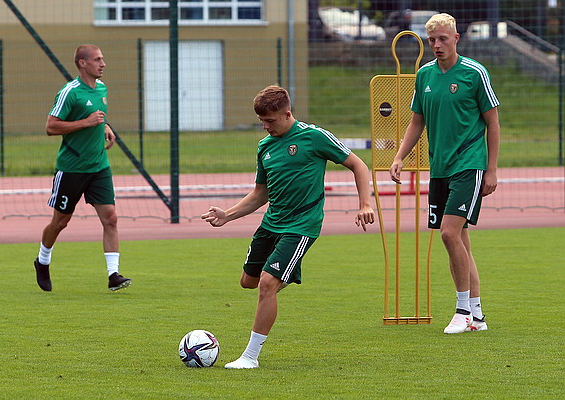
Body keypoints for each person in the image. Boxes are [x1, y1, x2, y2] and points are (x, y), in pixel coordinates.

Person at [201, 85, 375, 368]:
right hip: (272, 222)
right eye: (261, 121)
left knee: (267, 285)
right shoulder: (265, 146)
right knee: (249, 282)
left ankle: (250, 357)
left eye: (270, 120)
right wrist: (227, 215)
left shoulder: (314, 137)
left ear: (287, 113)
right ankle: (285, 272)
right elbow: (261, 193)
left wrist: (365, 204)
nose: (265, 126)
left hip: (302, 225)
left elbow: (358, 165)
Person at [390, 13, 500, 334]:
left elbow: (493, 122)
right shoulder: (424, 75)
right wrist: (399, 156)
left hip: (470, 163)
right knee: (460, 239)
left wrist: (491, 169)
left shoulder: (474, 73)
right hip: (440, 168)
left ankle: (462, 310)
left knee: (449, 234)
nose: (437, 45)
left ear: (456, 39)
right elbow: (417, 121)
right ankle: (477, 316)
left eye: (443, 39)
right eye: (432, 40)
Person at [33, 44, 131, 292]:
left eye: (103, 59)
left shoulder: (102, 88)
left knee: (111, 218)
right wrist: (86, 122)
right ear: (82, 63)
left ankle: (113, 275)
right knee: (60, 222)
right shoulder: (70, 92)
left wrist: (105, 127)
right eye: (97, 59)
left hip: (99, 166)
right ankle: (42, 260)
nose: (103, 64)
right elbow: (51, 127)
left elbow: (97, 116)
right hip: (72, 168)